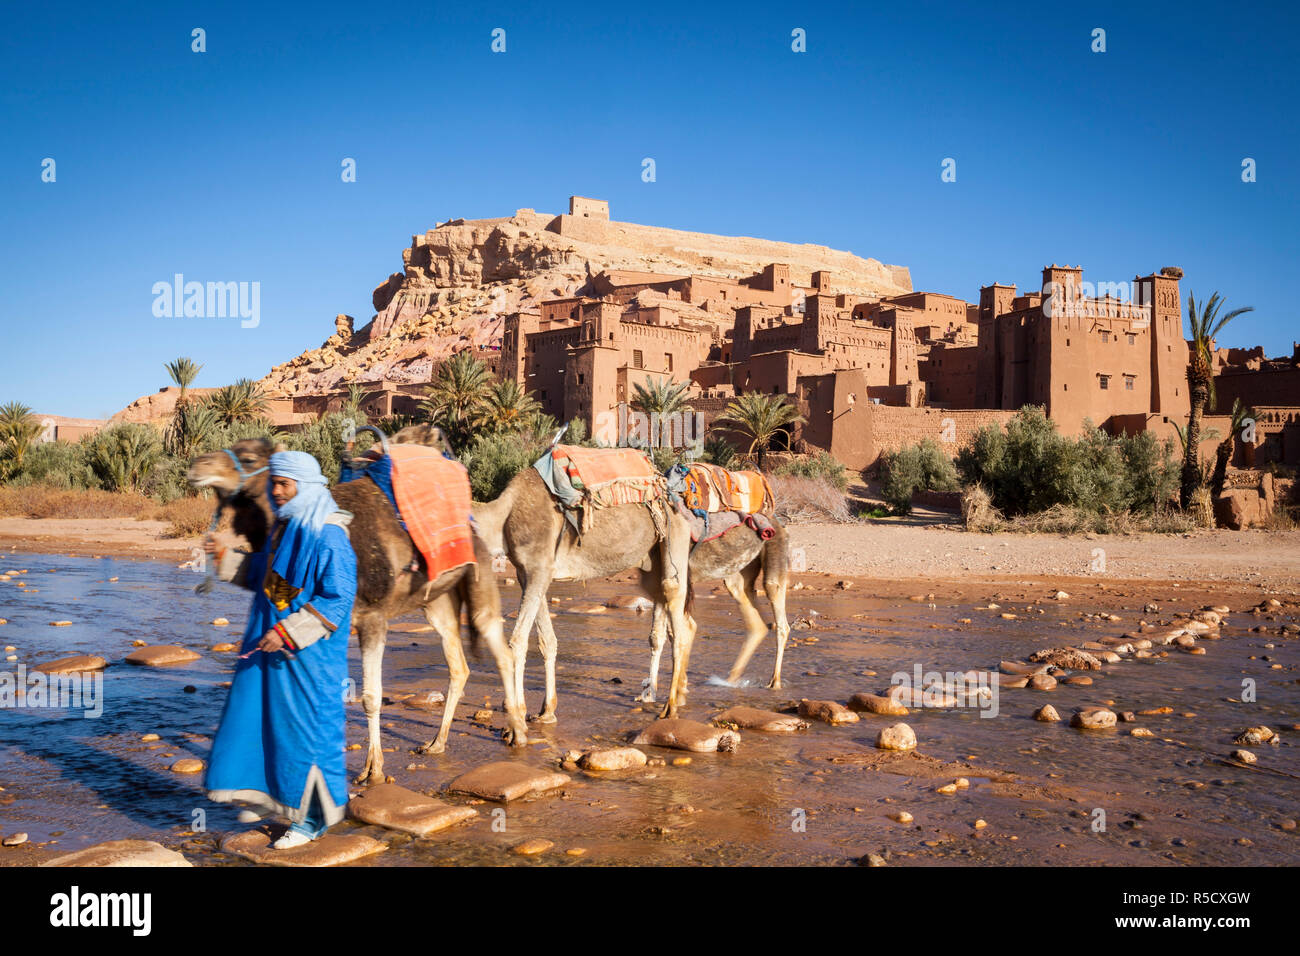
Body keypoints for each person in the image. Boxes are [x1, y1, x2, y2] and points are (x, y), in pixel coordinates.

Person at [202, 450, 357, 849]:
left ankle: (314, 819)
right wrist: (226, 557)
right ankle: (277, 801)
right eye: (274, 483)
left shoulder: (328, 533)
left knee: (309, 733)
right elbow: (270, 581)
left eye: (285, 484)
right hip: (273, 647)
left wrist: (288, 632)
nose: (277, 491)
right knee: (262, 723)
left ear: (304, 486)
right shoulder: (286, 528)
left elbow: (337, 599)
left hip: (310, 657)